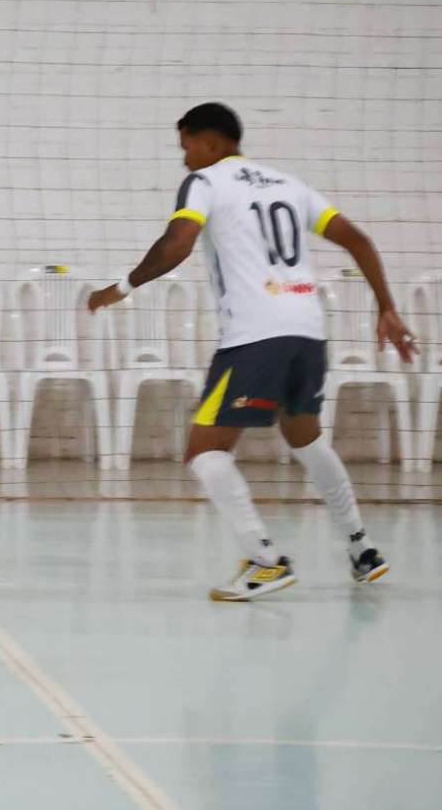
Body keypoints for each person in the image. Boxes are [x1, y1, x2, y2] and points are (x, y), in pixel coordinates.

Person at [88, 102, 415, 602]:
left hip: (256, 337)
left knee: (204, 451)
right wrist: (387, 307)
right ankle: (362, 547)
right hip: (306, 331)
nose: (185, 159)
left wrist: (121, 287)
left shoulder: (206, 183)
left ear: (212, 142)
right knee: (305, 437)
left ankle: (265, 562)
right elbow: (359, 240)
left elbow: (177, 244)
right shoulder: (289, 185)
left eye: (187, 147)